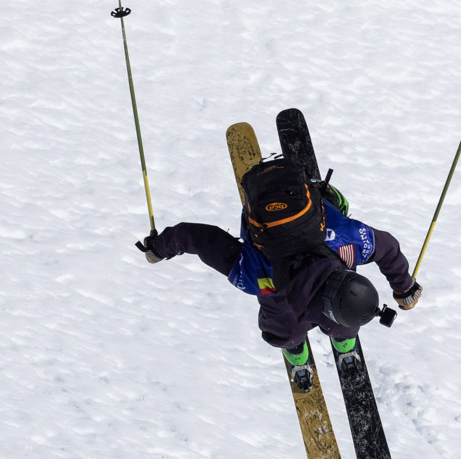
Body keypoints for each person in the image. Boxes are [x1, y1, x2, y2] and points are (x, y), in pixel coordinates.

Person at [136, 157, 421, 380]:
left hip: (292, 234)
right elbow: (388, 248)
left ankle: (311, 344)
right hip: (275, 236)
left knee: (298, 323)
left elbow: (196, 238)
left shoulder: (344, 242)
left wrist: (160, 247)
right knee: (291, 327)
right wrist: (404, 287)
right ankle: (305, 349)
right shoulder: (257, 270)